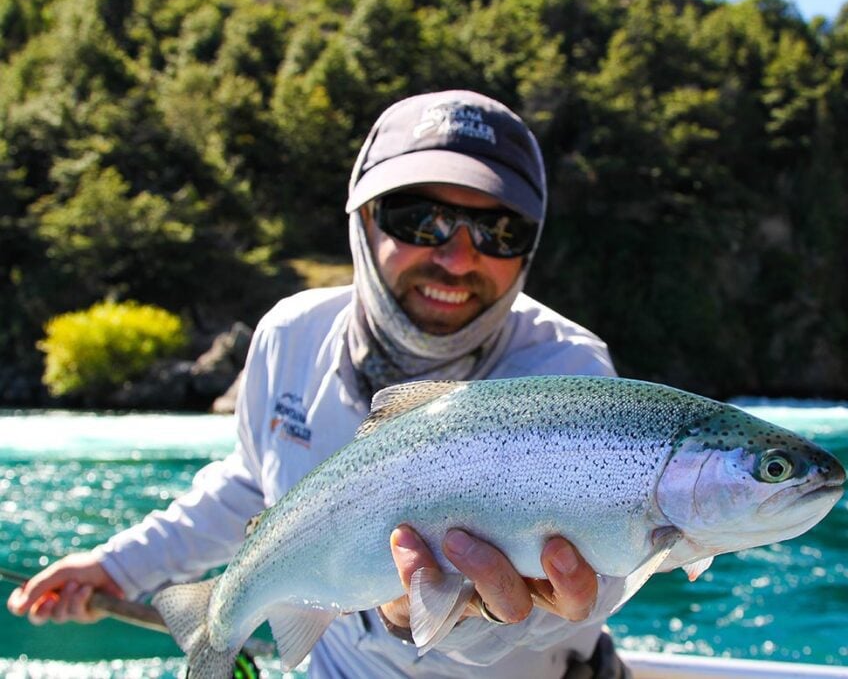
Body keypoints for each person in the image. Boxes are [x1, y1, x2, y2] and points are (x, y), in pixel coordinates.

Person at [7, 90, 628, 677]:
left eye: (498, 230)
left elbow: (579, 595)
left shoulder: (570, 380)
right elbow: (254, 485)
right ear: (363, 217)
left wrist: (436, 615)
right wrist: (116, 568)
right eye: (420, 220)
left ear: (530, 248)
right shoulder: (290, 335)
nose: (458, 257)